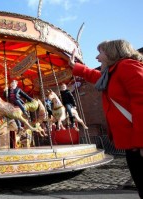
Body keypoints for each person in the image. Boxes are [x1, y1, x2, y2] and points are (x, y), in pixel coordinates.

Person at [69, 39, 143, 198]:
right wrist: (74, 65)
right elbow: (95, 76)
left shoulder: (127, 66)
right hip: (132, 144)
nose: (97, 57)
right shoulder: (114, 72)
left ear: (112, 53)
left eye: (100, 52)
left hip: (139, 143)